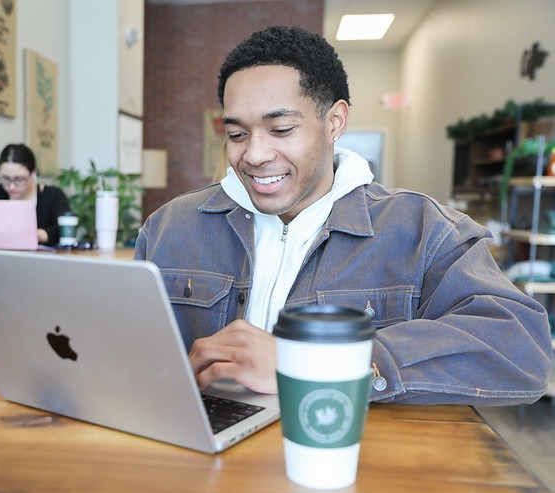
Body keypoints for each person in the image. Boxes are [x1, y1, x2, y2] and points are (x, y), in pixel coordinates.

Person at [135, 25, 553, 406]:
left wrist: (310, 365)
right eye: (236, 134)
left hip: (348, 468)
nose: (255, 154)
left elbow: (522, 349)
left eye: (281, 130)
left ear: (334, 121)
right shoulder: (169, 227)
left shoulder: (423, 230)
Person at [0, 143, 71, 247]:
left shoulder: (53, 196)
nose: (12, 186)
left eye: (19, 179)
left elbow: (65, 229)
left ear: (33, 172)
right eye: (6, 178)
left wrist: (41, 235)